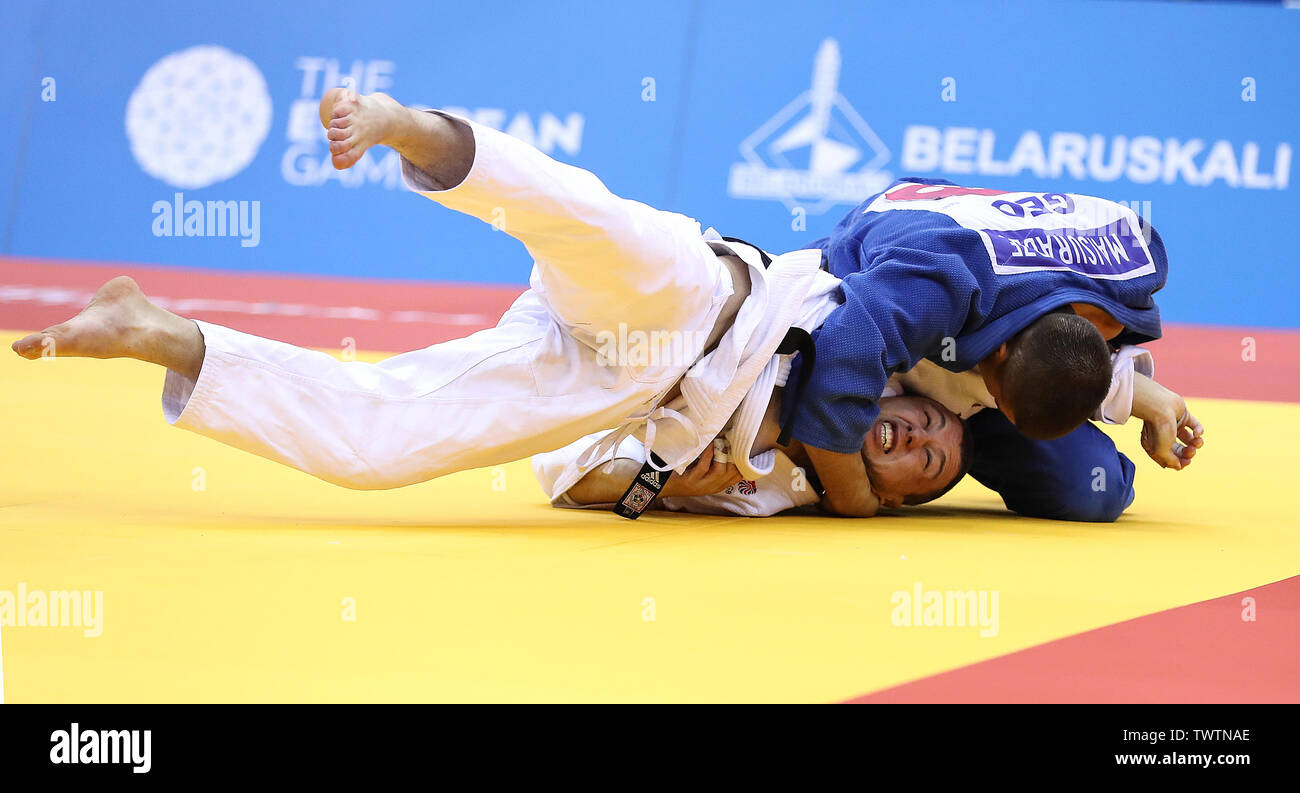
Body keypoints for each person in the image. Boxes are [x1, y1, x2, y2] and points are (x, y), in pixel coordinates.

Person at [783, 179, 1204, 517]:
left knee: (1093, 488)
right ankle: (923, 445)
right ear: (997, 351)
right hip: (898, 266)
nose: (1001, 412)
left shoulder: (1123, 287)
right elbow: (836, 364)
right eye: (1001, 403)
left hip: (978, 295)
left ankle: (942, 453)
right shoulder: (930, 282)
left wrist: (1143, 396)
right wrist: (851, 497)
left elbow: (1069, 351)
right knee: (825, 390)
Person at [538, 394, 970, 517]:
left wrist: (666, 482)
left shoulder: (759, 495)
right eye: (927, 417)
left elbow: (564, 476)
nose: (917, 436)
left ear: (890, 499)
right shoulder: (859, 352)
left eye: (929, 460)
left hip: (574, 390)